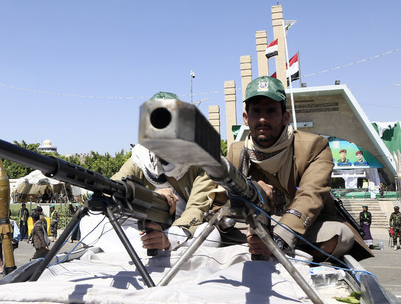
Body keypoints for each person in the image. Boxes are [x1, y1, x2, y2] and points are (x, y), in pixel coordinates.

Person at [229, 76, 357, 260]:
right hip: (252, 223)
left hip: (297, 225)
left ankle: (282, 253)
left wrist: (278, 238)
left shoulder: (314, 146)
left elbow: (311, 195)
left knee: (340, 235)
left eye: (271, 111)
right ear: (246, 118)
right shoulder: (236, 152)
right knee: (213, 232)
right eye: (256, 111)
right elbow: (220, 199)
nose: (263, 119)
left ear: (285, 117)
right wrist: (252, 190)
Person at [112, 92, 223, 253]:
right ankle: (149, 250)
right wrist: (152, 197)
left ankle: (153, 251)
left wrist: (168, 239)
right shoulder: (140, 158)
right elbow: (113, 189)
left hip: (182, 230)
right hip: (147, 228)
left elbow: (197, 209)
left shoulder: (203, 160)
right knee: (92, 221)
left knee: (210, 235)